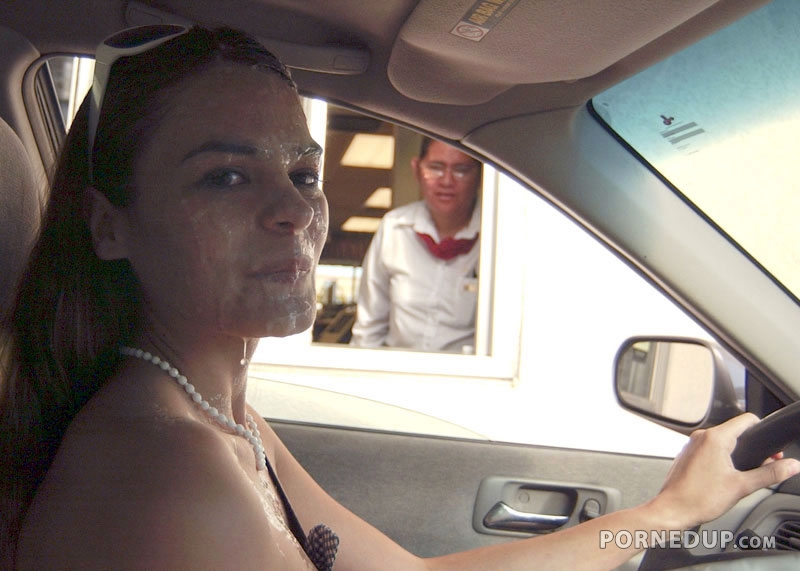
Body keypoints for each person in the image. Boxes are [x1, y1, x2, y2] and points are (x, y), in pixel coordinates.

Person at [0, 24, 798, 571]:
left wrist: (664, 514)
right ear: (110, 226)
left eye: (303, 173)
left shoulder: (220, 422)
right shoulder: (162, 475)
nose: (294, 210)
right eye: (227, 175)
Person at [350, 138, 482, 353]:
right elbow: (369, 327)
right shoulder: (395, 228)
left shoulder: (495, 236)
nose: (447, 181)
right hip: (398, 368)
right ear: (417, 169)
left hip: (467, 371)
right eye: (436, 168)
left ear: (479, 176)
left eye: (461, 170)